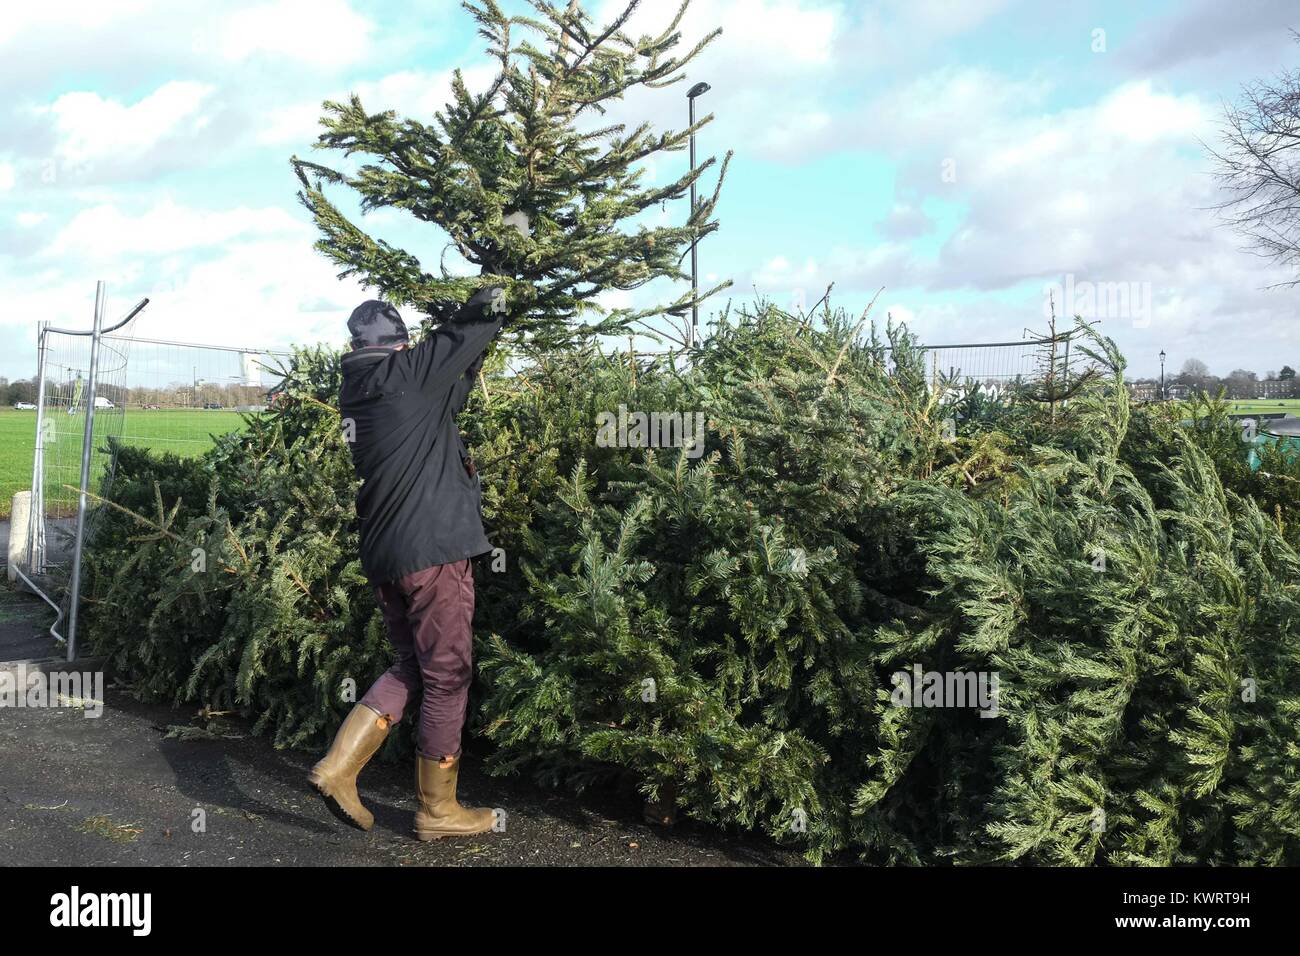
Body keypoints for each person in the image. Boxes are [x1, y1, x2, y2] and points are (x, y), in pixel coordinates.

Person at [308, 286, 506, 841]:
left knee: (412, 666)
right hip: (433, 551)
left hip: (386, 552)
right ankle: (438, 810)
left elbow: (454, 376)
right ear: (401, 345)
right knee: (448, 675)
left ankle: (340, 767)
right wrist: (506, 261)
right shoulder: (412, 373)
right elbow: (474, 326)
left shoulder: (361, 388)